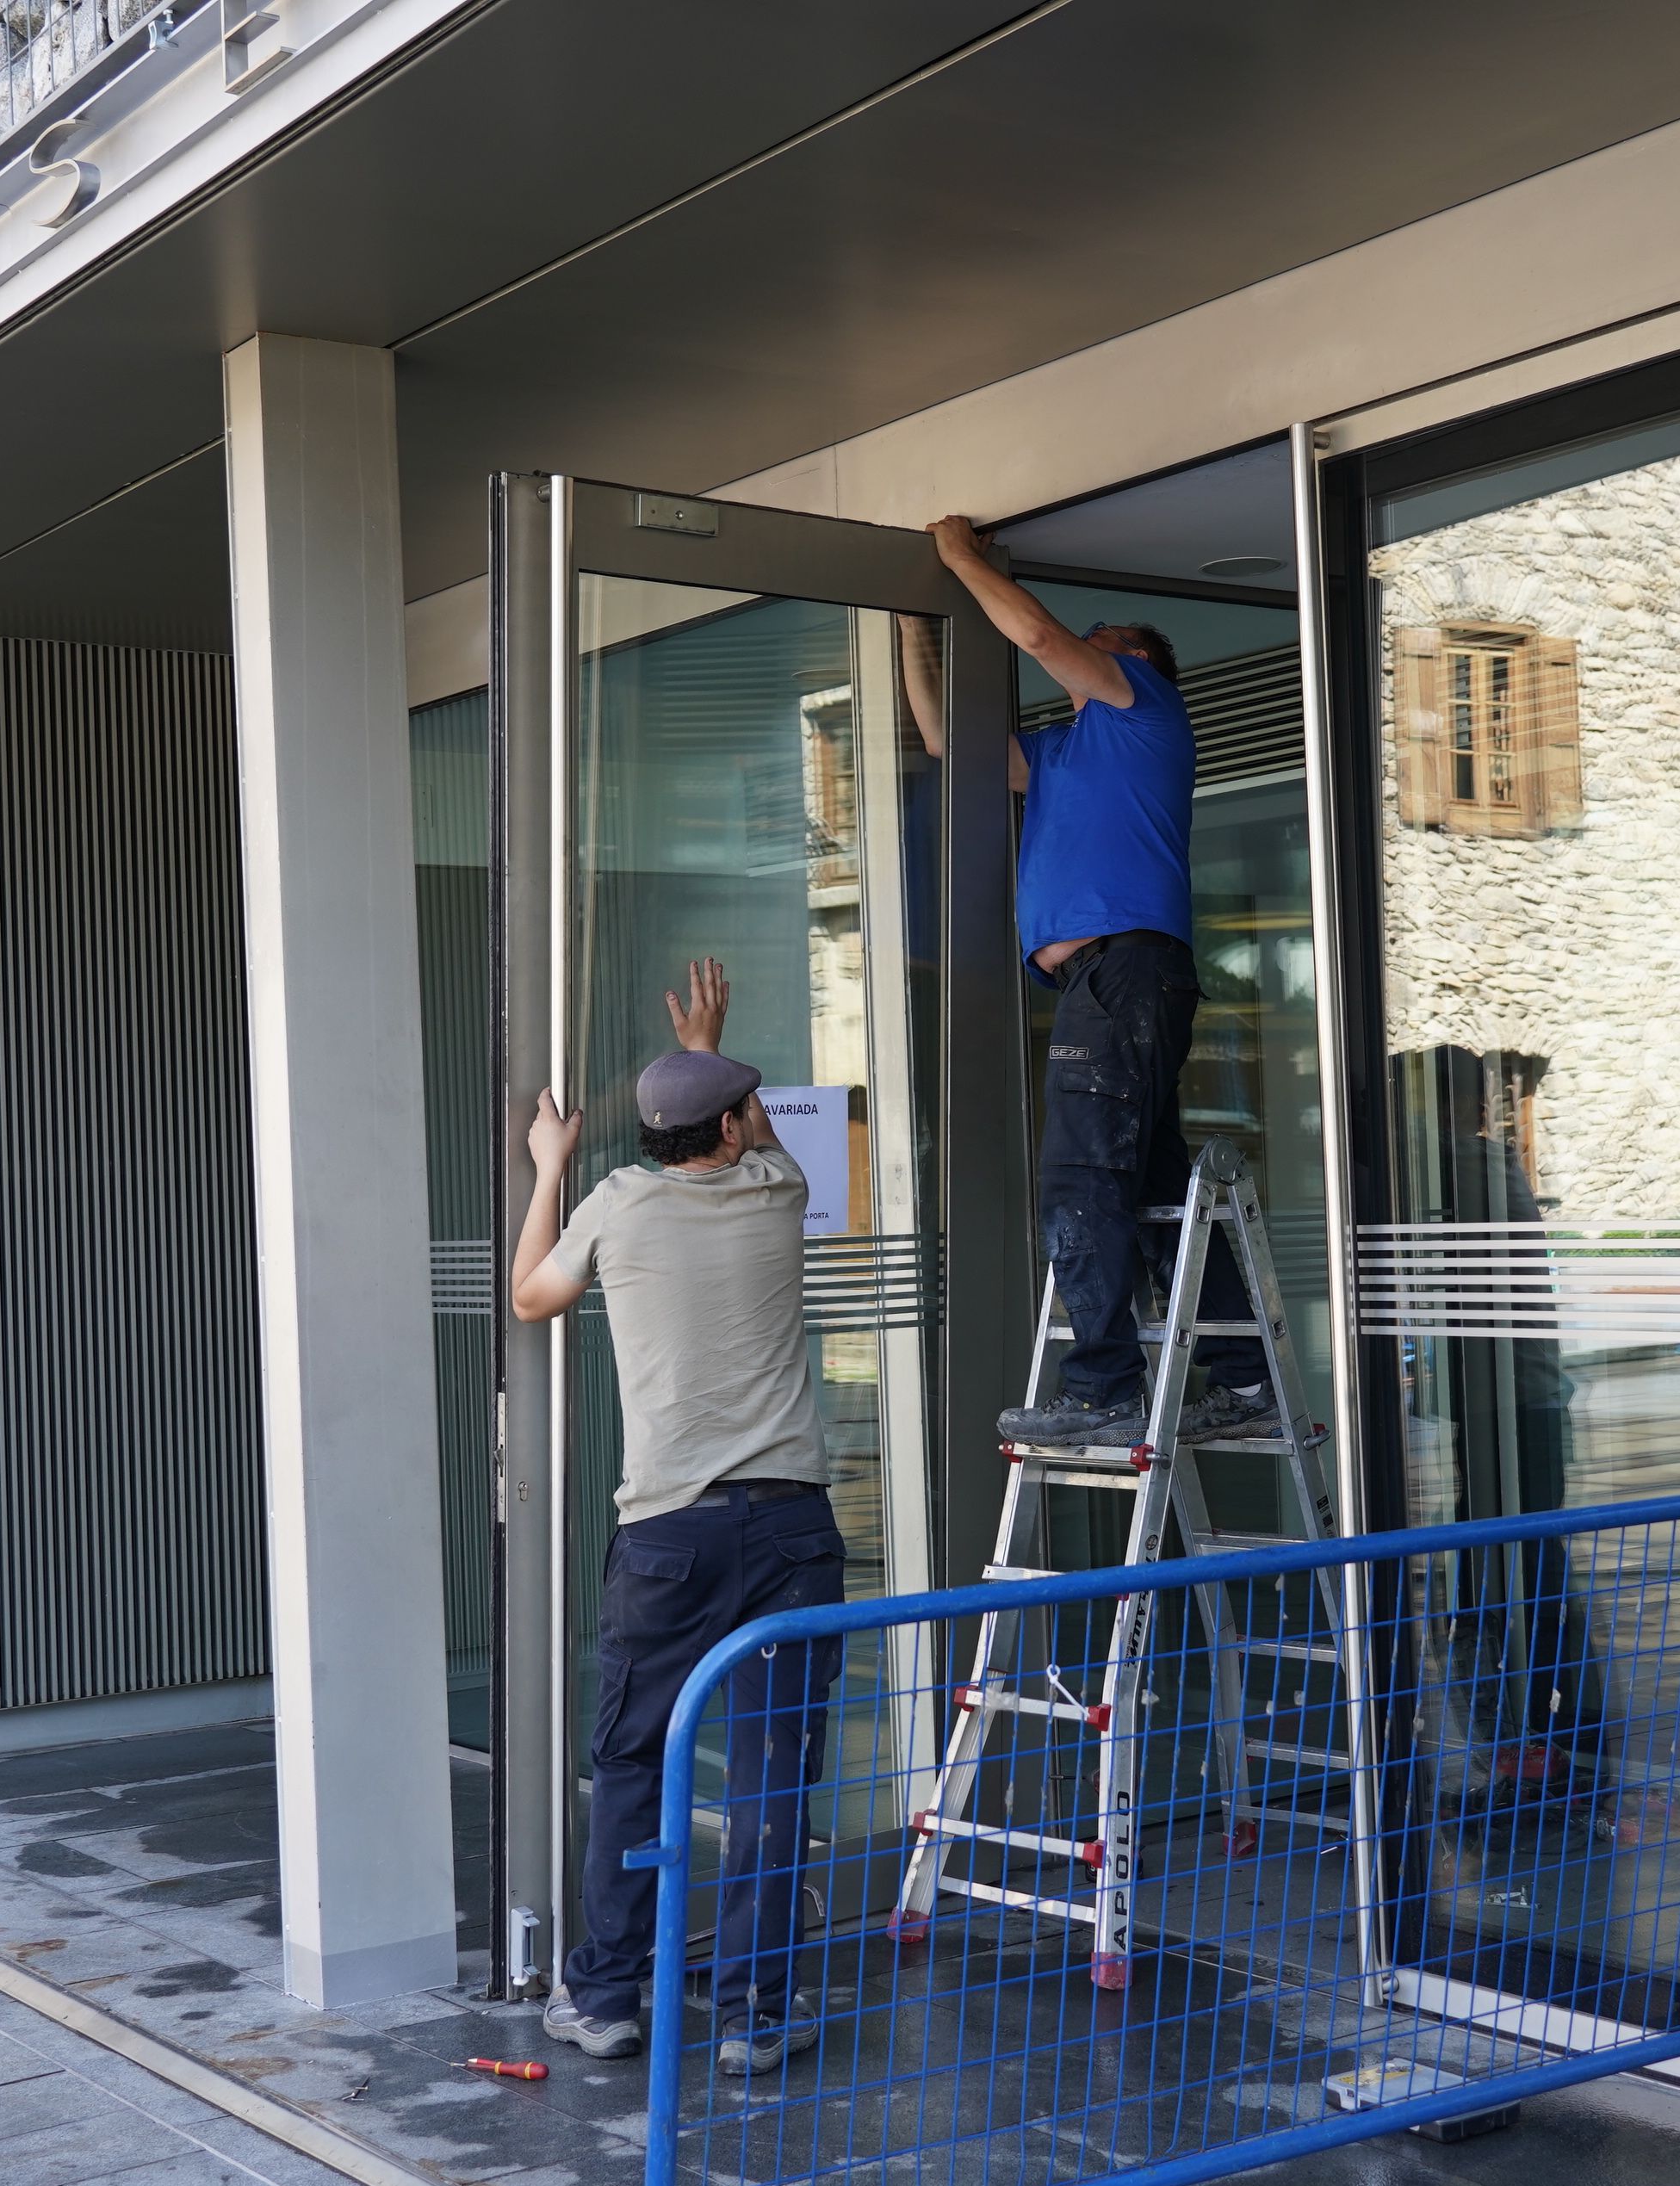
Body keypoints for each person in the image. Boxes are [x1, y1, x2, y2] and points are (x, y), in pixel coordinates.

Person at [508, 959, 842, 2078]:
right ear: (732, 1129)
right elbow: (767, 1137)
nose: (759, 1116)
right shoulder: (777, 1193)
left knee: (637, 1760)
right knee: (771, 1773)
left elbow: (531, 1298)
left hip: (671, 1536)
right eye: (744, 1104)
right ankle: (755, 2015)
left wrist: (550, 1167)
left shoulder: (616, 1206)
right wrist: (710, 1037)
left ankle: (603, 1999)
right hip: (792, 1530)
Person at [905, 515, 1278, 1447]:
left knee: (1081, 1179)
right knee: (1150, 1192)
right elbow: (951, 741)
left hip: (1125, 974)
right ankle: (1243, 1378)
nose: (1080, 651)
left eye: (1100, 644)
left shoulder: (1143, 704)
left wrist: (958, 559)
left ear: (1139, 664)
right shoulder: (1069, 752)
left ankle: (1103, 1388)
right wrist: (919, 630)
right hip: (1116, 984)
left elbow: (1035, 634)